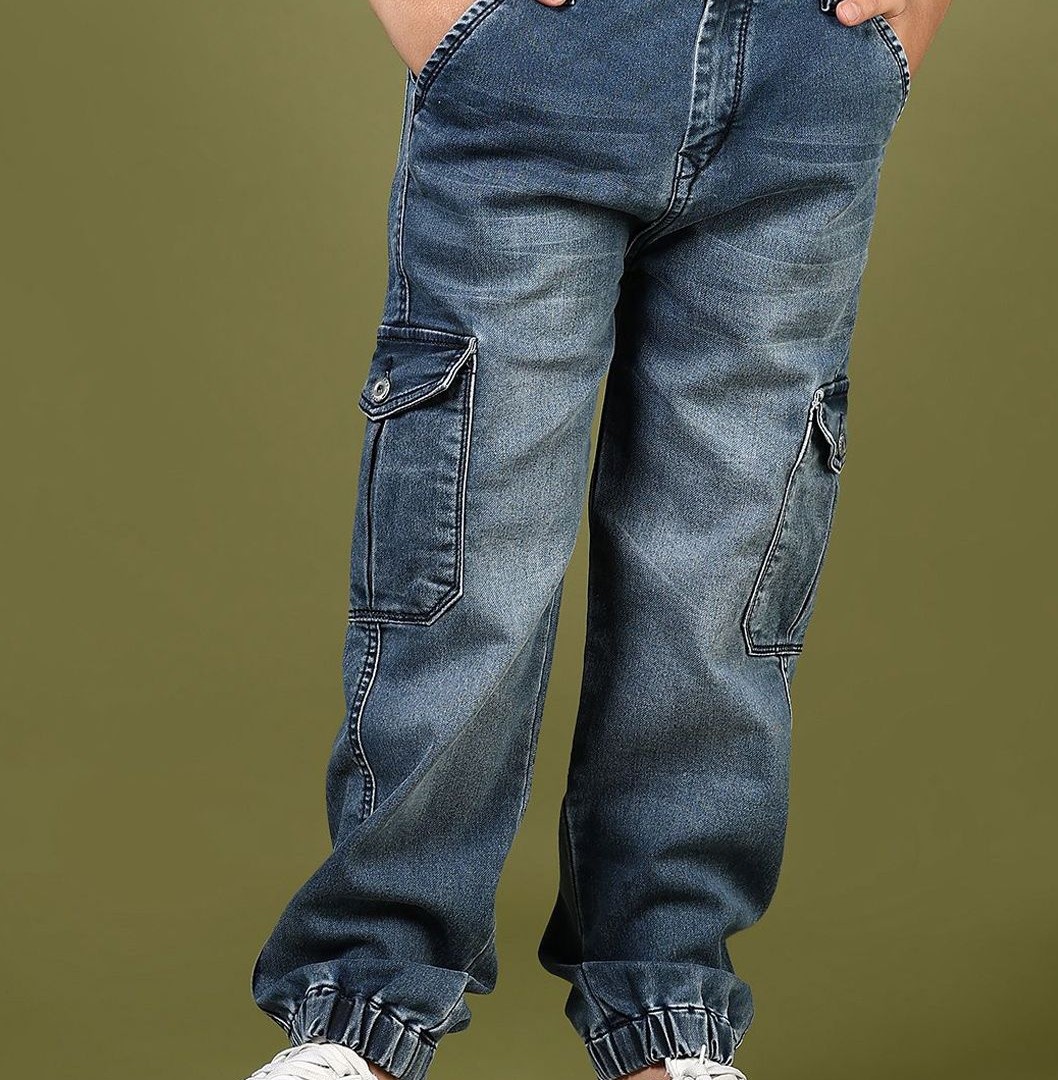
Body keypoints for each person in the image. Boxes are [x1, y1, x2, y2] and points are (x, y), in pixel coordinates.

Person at [244, 1, 951, 1078]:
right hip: (543, 62)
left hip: (808, 76)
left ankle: (671, 1020)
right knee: (469, 568)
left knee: (719, 601)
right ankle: (365, 1012)